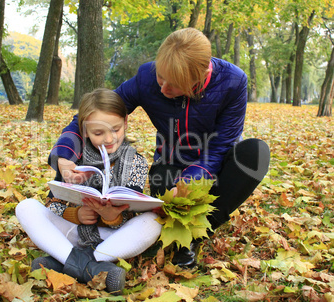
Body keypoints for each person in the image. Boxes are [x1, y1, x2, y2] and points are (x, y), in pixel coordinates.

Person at [48, 28, 270, 267]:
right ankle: (172, 231)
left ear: (200, 76)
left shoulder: (233, 82)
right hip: (170, 164)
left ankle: (195, 235)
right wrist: (64, 155)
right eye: (161, 77)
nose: (163, 89)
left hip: (215, 166)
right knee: (163, 179)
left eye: (174, 85)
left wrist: (189, 182)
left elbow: (220, 146)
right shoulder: (146, 77)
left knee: (255, 153)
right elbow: (95, 115)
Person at [16, 88, 162, 294]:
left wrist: (112, 217)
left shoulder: (136, 161)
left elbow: (132, 210)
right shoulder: (73, 159)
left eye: (116, 129)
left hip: (110, 238)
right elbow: (53, 204)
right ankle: (92, 268)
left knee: (152, 223)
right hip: (72, 232)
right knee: (26, 207)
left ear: (126, 123)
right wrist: (75, 214)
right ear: (85, 131)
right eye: (98, 133)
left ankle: (65, 261)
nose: (109, 138)